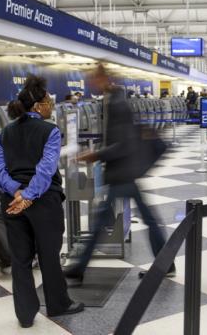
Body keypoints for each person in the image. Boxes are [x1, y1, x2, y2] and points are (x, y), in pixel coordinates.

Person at [64, 65, 174, 280]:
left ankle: (79, 267)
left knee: (100, 223)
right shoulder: (115, 100)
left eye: (94, 78)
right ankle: (165, 263)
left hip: (122, 172)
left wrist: (94, 155)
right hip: (125, 171)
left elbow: (123, 144)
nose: (91, 83)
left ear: (103, 78)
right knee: (141, 219)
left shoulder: (117, 104)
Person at [0, 75, 83, 328]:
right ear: (39, 106)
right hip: (43, 201)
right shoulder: (50, 130)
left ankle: (25, 314)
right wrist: (29, 196)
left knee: (20, 259)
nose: (51, 104)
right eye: (48, 101)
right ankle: (58, 304)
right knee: (48, 255)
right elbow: (45, 169)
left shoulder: (5, 132)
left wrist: (16, 191)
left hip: (11, 201)